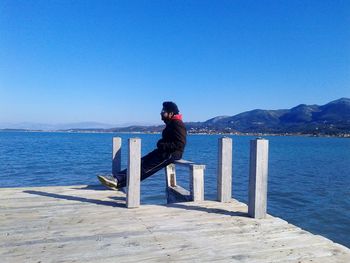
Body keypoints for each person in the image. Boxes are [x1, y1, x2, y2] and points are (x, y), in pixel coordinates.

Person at [97, 101, 186, 190]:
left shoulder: (177, 124)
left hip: (170, 154)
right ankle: (116, 178)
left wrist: (162, 144)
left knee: (145, 169)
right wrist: (162, 144)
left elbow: (180, 144)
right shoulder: (171, 124)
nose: (161, 113)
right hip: (163, 151)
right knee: (139, 162)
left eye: (163, 111)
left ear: (171, 113)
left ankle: (118, 183)